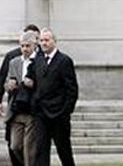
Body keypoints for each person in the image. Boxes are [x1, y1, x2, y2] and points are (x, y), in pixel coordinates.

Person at [0, 24, 41, 166]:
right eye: (22, 46)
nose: (25, 49)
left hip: (32, 109)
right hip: (16, 108)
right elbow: (4, 79)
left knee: (30, 149)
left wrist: (33, 84)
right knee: (15, 146)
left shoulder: (40, 60)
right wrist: (1, 94)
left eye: (28, 45)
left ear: (34, 45)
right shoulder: (13, 60)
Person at [28, 29, 77, 166]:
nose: (43, 43)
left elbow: (72, 89)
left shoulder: (64, 61)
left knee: (64, 151)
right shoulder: (38, 59)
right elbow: (32, 77)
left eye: (47, 40)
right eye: (41, 40)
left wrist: (65, 111)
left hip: (59, 115)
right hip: (41, 114)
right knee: (41, 151)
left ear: (54, 42)